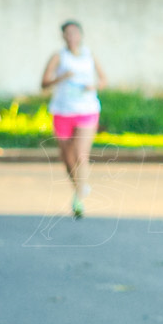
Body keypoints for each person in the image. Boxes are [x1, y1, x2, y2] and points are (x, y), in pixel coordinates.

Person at [41, 20, 107, 219]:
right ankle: (80, 186)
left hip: (87, 109)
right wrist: (62, 77)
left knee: (80, 155)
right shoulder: (58, 57)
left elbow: (103, 80)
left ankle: (78, 199)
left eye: (75, 33)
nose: (72, 37)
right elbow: (43, 83)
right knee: (67, 158)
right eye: (67, 34)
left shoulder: (89, 55)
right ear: (63, 36)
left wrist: (93, 86)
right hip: (62, 111)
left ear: (80, 35)